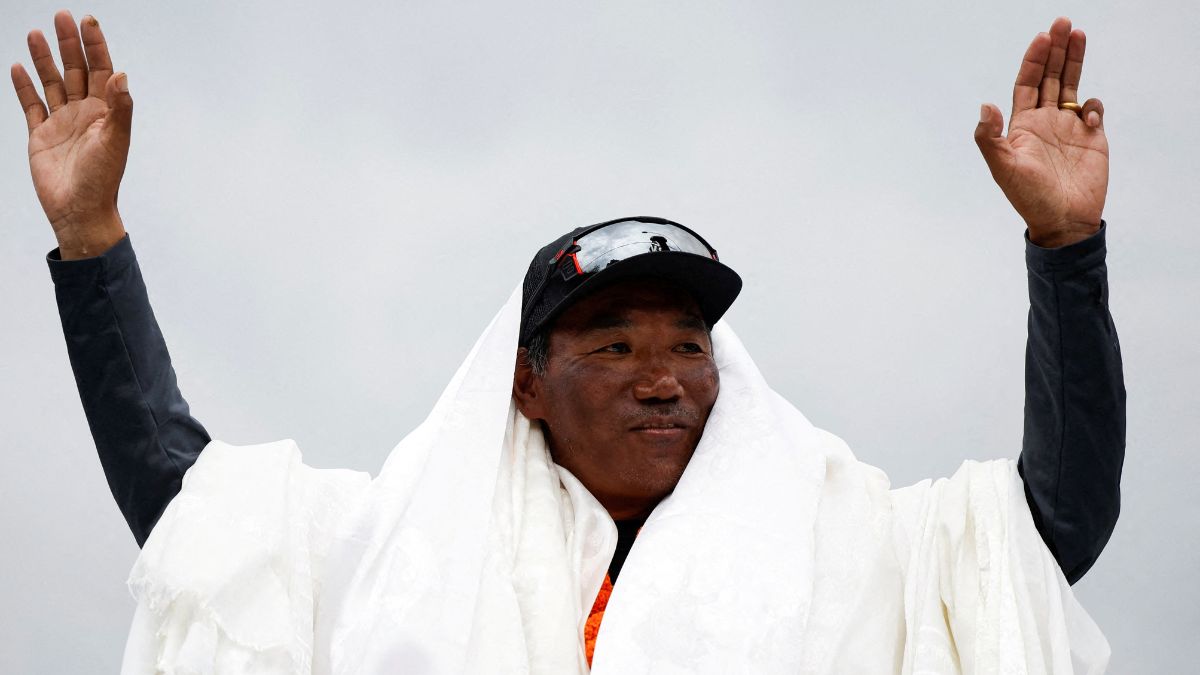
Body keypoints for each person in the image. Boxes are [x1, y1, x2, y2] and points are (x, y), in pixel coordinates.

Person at [13, 10, 1125, 674]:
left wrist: (1066, 248)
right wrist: (92, 240)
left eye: (689, 342)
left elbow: (1043, 533)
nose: (665, 379)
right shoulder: (403, 553)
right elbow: (188, 507)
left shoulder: (852, 545)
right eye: (611, 345)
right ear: (527, 387)